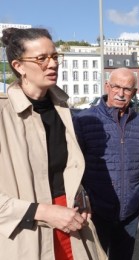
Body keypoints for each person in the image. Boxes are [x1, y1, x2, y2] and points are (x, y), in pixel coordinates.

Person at [0, 27, 106, 260]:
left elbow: (65, 171)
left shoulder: (61, 107)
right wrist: (43, 211)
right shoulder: (3, 113)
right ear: (18, 66)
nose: (52, 64)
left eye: (55, 56)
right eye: (41, 58)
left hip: (72, 225)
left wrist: (81, 198)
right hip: (25, 234)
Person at [73, 67, 139, 260]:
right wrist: (84, 198)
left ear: (134, 93)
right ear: (107, 86)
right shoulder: (85, 120)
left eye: (127, 89)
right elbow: (74, 165)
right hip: (97, 210)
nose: (121, 93)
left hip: (131, 210)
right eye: (116, 86)